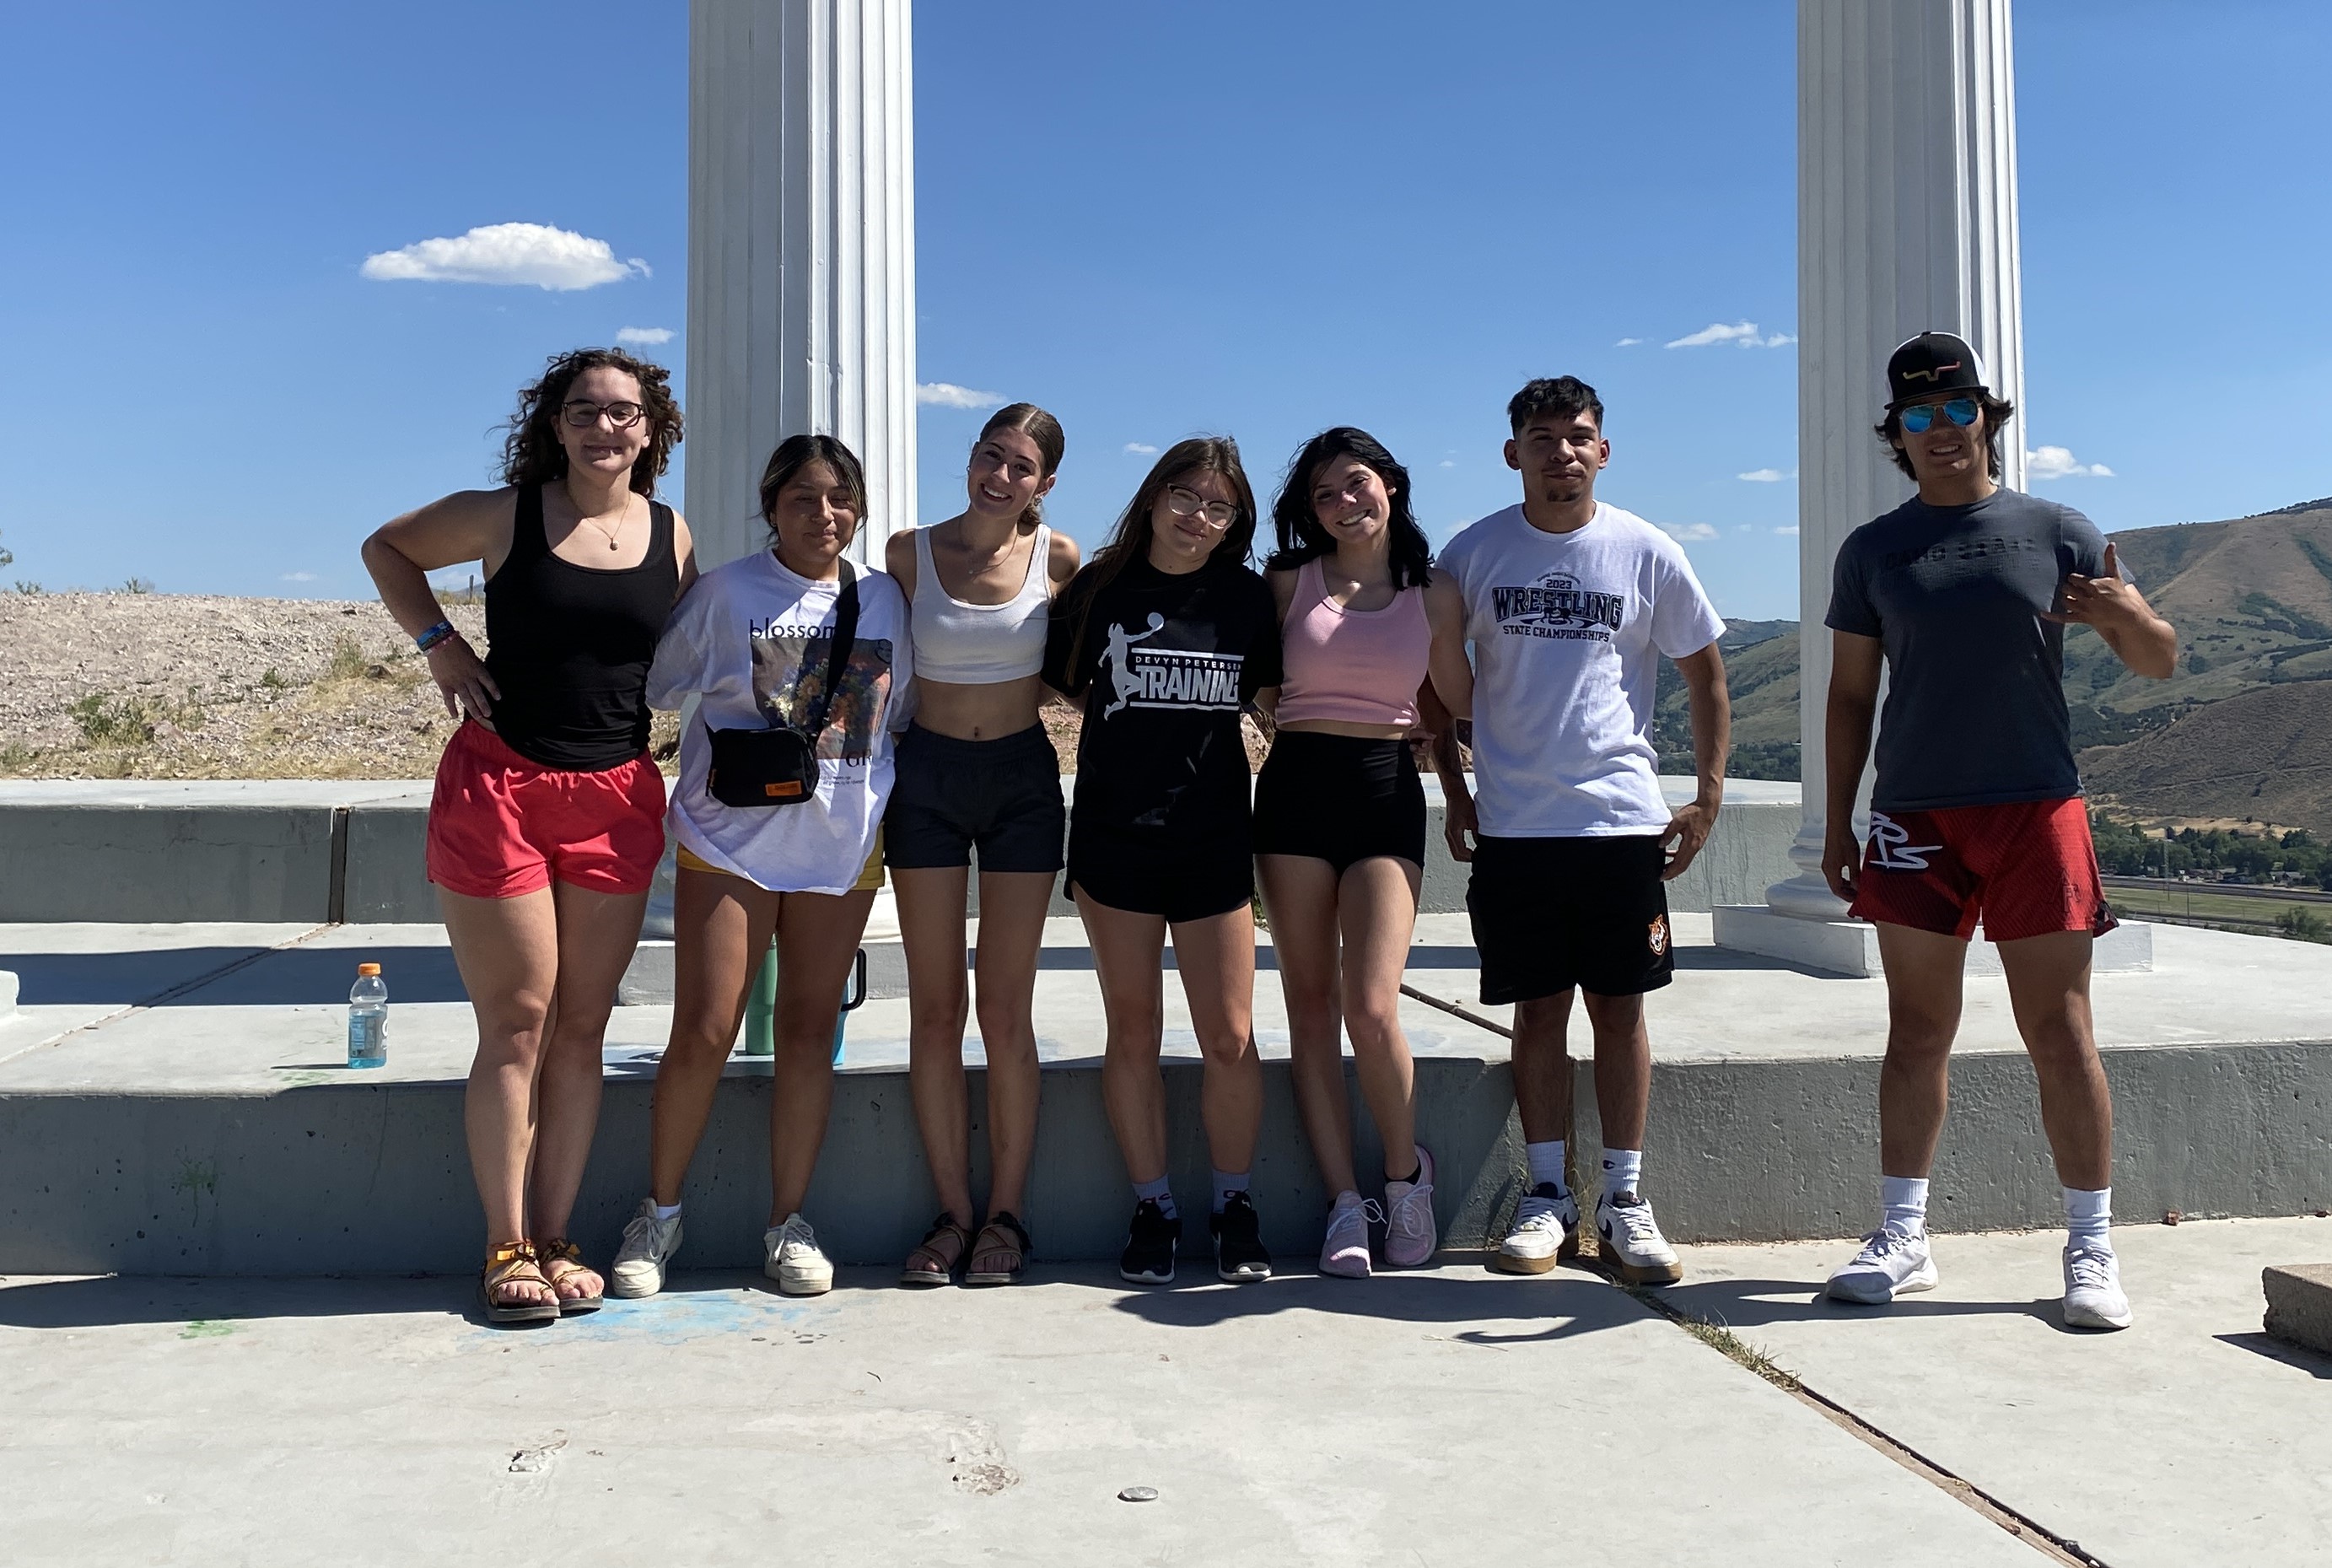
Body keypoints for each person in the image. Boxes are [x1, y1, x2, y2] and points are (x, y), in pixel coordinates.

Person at [1818, 332, 2176, 1331]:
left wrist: (2121, 612)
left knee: (2059, 1032)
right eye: (1917, 415)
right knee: (1914, 1031)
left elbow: (2157, 659)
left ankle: (2090, 1246)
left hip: (2035, 805)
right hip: (1915, 812)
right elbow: (1848, 696)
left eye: (1955, 409)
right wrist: (1840, 819)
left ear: (1985, 415)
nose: (1939, 429)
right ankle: (1902, 1235)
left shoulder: (2057, 529)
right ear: (1897, 433)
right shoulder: (1872, 549)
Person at [359, 347, 694, 1324]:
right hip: (497, 785)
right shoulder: (503, 514)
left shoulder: (673, 534)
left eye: (622, 411)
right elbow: (386, 548)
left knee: (583, 1025)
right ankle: (504, 1243)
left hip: (616, 796)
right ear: (554, 425)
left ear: (650, 428)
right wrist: (440, 644)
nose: (603, 427)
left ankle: (554, 1236)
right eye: (582, 410)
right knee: (517, 1020)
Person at [1427, 375, 1730, 1288]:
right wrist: (1455, 790)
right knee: (1537, 1011)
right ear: (1511, 452)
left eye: (1577, 435)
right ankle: (1547, 1194)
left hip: (1619, 821)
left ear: (1603, 450)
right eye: (1541, 436)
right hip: (1515, 826)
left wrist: (1706, 796)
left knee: (1620, 1010)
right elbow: (1434, 683)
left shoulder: (1645, 549)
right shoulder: (1471, 553)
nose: (1560, 451)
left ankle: (1623, 1198)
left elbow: (1705, 674)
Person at [607, 434, 912, 1299]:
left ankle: (788, 1222)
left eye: (840, 498)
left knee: (811, 1031)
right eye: (803, 498)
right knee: (705, 1026)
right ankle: (658, 1215)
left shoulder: (883, 598)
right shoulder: (725, 592)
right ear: (771, 505)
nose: (824, 515)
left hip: (839, 843)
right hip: (728, 840)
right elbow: (659, 688)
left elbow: (897, 710)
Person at [1042, 437, 1282, 1287]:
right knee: (1134, 1026)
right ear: (1152, 495)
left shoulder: (1245, 597)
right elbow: (1069, 687)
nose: (1197, 517)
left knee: (1229, 1033)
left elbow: (1270, 703)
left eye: (1218, 506)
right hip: (1115, 836)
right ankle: (1153, 1206)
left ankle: (1232, 1203)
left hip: (1212, 837)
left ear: (1233, 520)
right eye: (1184, 495)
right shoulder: (1098, 587)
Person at [884, 404, 1080, 1286]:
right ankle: (951, 1215)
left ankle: (1004, 1212)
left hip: (1020, 782)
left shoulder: (1058, 558)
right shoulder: (907, 554)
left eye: (1021, 466)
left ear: (1044, 483)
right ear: (969, 457)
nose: (1000, 476)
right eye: (990, 456)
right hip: (924, 778)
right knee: (935, 1009)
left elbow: (1086, 669)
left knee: (1003, 1010)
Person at [1255, 428, 1449, 1278]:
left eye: (1356, 482)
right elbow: (1263, 686)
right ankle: (1343, 1199)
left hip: (1383, 789)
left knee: (1370, 1005)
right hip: (1294, 786)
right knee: (1308, 1005)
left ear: (1390, 486)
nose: (1343, 502)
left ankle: (1405, 1177)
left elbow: (1452, 702)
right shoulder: (1287, 581)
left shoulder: (1434, 591)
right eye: (1324, 493)